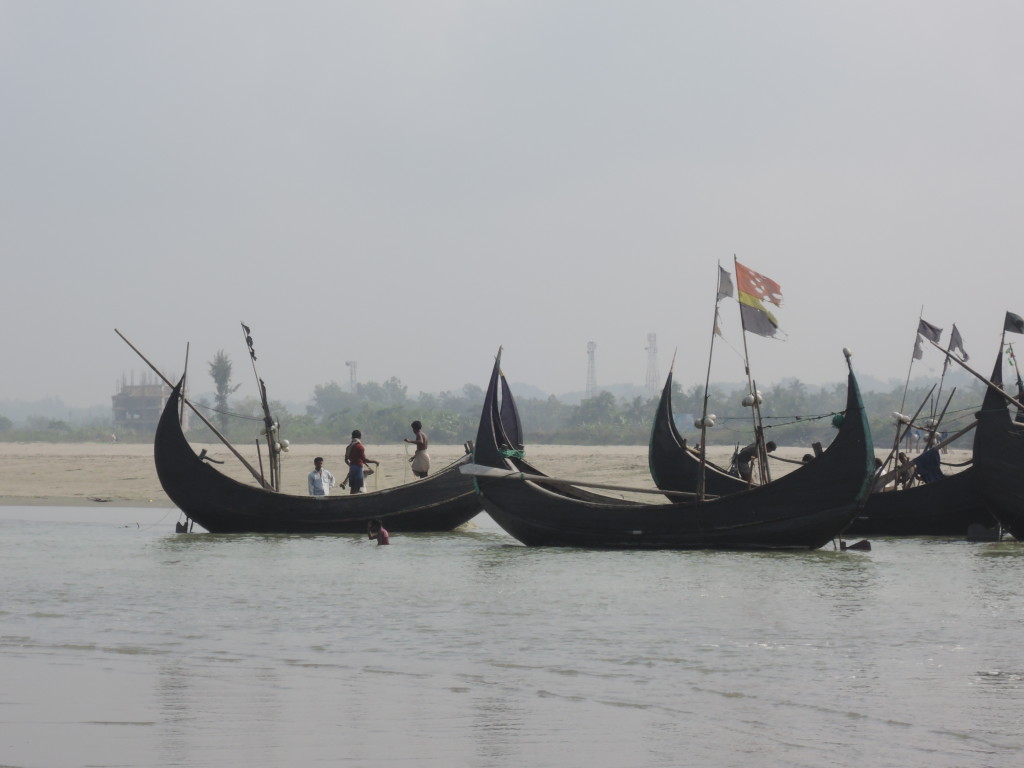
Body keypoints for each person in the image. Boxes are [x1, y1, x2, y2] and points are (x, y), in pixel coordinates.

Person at [344, 430, 379, 494]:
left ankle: (351, 502)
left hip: (352, 468)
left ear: (352, 437)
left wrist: (351, 466)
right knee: (357, 488)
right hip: (358, 468)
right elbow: (364, 460)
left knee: (352, 489)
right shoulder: (360, 447)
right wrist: (375, 461)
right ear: (360, 437)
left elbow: (346, 460)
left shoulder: (348, 447)